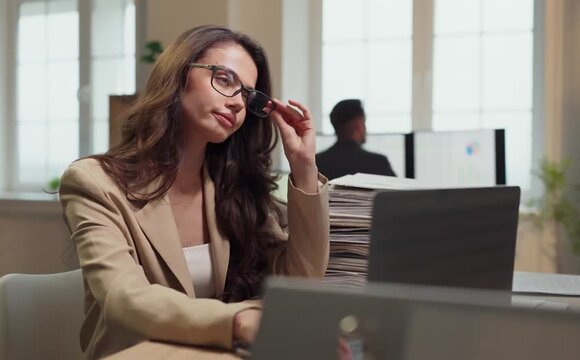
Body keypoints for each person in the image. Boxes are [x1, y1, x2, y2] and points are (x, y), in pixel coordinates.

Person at [59, 25, 329, 359]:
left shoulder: (234, 187)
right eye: (224, 80)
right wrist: (243, 319)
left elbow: (301, 284)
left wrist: (303, 166)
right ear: (178, 75)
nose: (237, 104)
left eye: (246, 94)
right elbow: (125, 298)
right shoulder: (94, 181)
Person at [315, 99, 396, 180]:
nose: (365, 128)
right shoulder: (378, 162)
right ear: (358, 124)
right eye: (364, 121)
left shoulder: (317, 163)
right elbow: (400, 192)